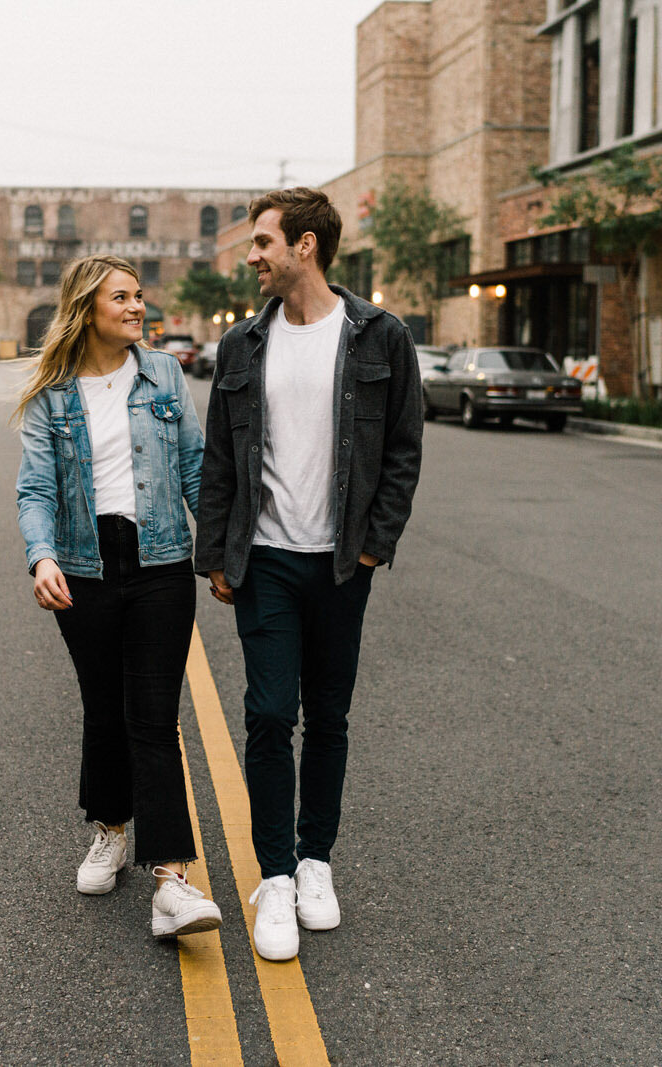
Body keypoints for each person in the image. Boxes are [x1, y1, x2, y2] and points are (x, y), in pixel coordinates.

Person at [194, 188, 423, 961]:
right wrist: (215, 555)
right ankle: (278, 877)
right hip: (263, 560)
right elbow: (220, 457)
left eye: (262, 242)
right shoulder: (241, 346)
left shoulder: (378, 336)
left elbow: (402, 449)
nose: (251, 256)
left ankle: (317, 858)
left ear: (306, 247)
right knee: (267, 713)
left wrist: (369, 547)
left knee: (328, 714)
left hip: (338, 563)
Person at [15, 254, 223, 940]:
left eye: (140, 296)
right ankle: (111, 831)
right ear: (87, 307)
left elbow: (194, 465)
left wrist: (217, 554)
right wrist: (42, 556)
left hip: (160, 560)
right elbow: (36, 488)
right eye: (123, 297)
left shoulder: (162, 373)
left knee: (154, 717)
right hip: (84, 566)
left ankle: (172, 879)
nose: (138, 307)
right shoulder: (52, 393)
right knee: (105, 710)